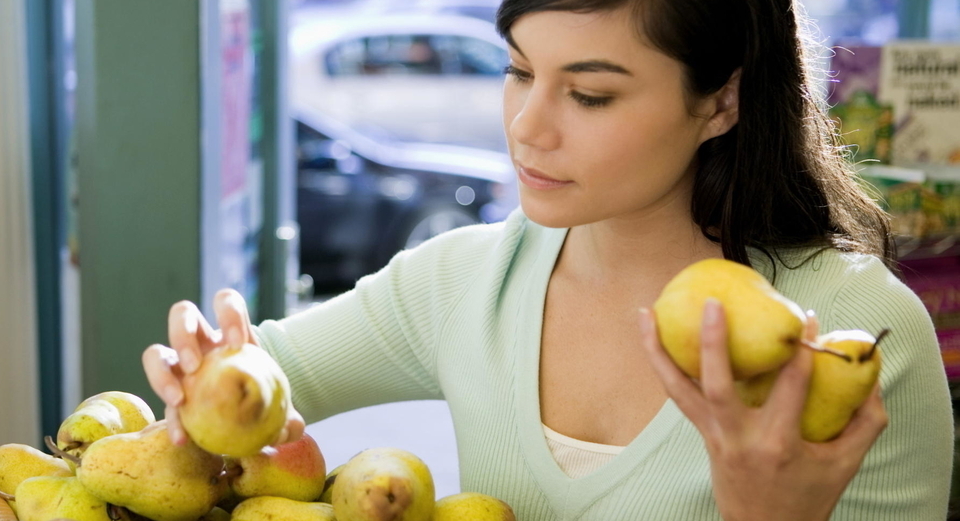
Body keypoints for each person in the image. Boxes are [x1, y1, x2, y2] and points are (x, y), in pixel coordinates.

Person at [144, 0, 954, 518]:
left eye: (590, 93)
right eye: (519, 70)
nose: (528, 126)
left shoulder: (857, 336)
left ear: (721, 102)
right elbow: (268, 370)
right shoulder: (464, 280)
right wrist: (208, 371)